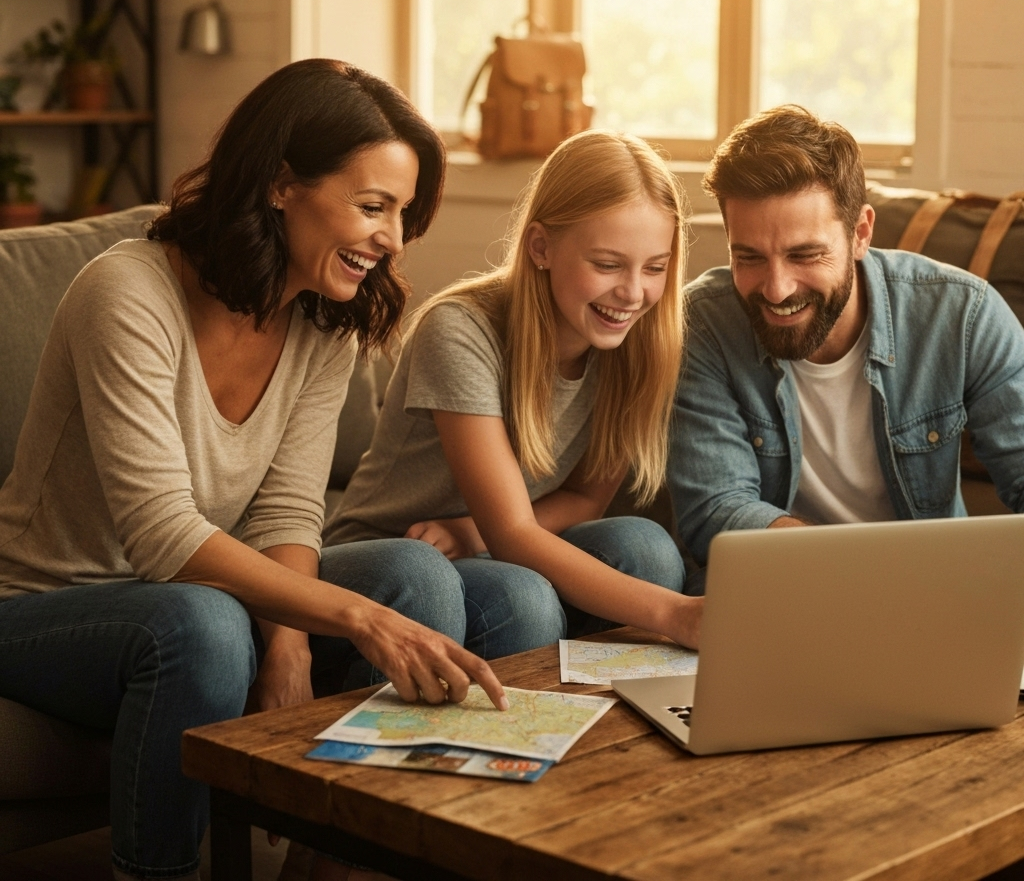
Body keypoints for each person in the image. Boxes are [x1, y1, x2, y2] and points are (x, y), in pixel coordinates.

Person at [0, 59, 506, 881]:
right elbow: (161, 534)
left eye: (403, 213)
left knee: (415, 573)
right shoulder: (126, 293)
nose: (392, 237)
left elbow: (287, 511)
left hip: (201, 594)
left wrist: (291, 641)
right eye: (372, 205)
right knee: (200, 623)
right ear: (280, 186)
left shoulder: (323, 318)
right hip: (49, 606)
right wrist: (352, 622)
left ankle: (331, 861)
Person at [324, 130, 704, 652]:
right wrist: (676, 615)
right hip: (392, 557)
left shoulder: (636, 345)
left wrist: (470, 532)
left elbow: (584, 499)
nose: (634, 293)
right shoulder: (459, 330)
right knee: (520, 599)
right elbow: (512, 534)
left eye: (655, 268)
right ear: (541, 247)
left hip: (487, 542)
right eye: (608, 264)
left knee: (647, 548)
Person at [668, 105, 1024, 593]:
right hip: (775, 593)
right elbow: (718, 507)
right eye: (748, 257)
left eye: (805, 255)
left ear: (860, 233)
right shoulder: (702, 324)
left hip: (933, 596)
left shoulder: (964, 316)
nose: (775, 289)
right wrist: (862, 578)